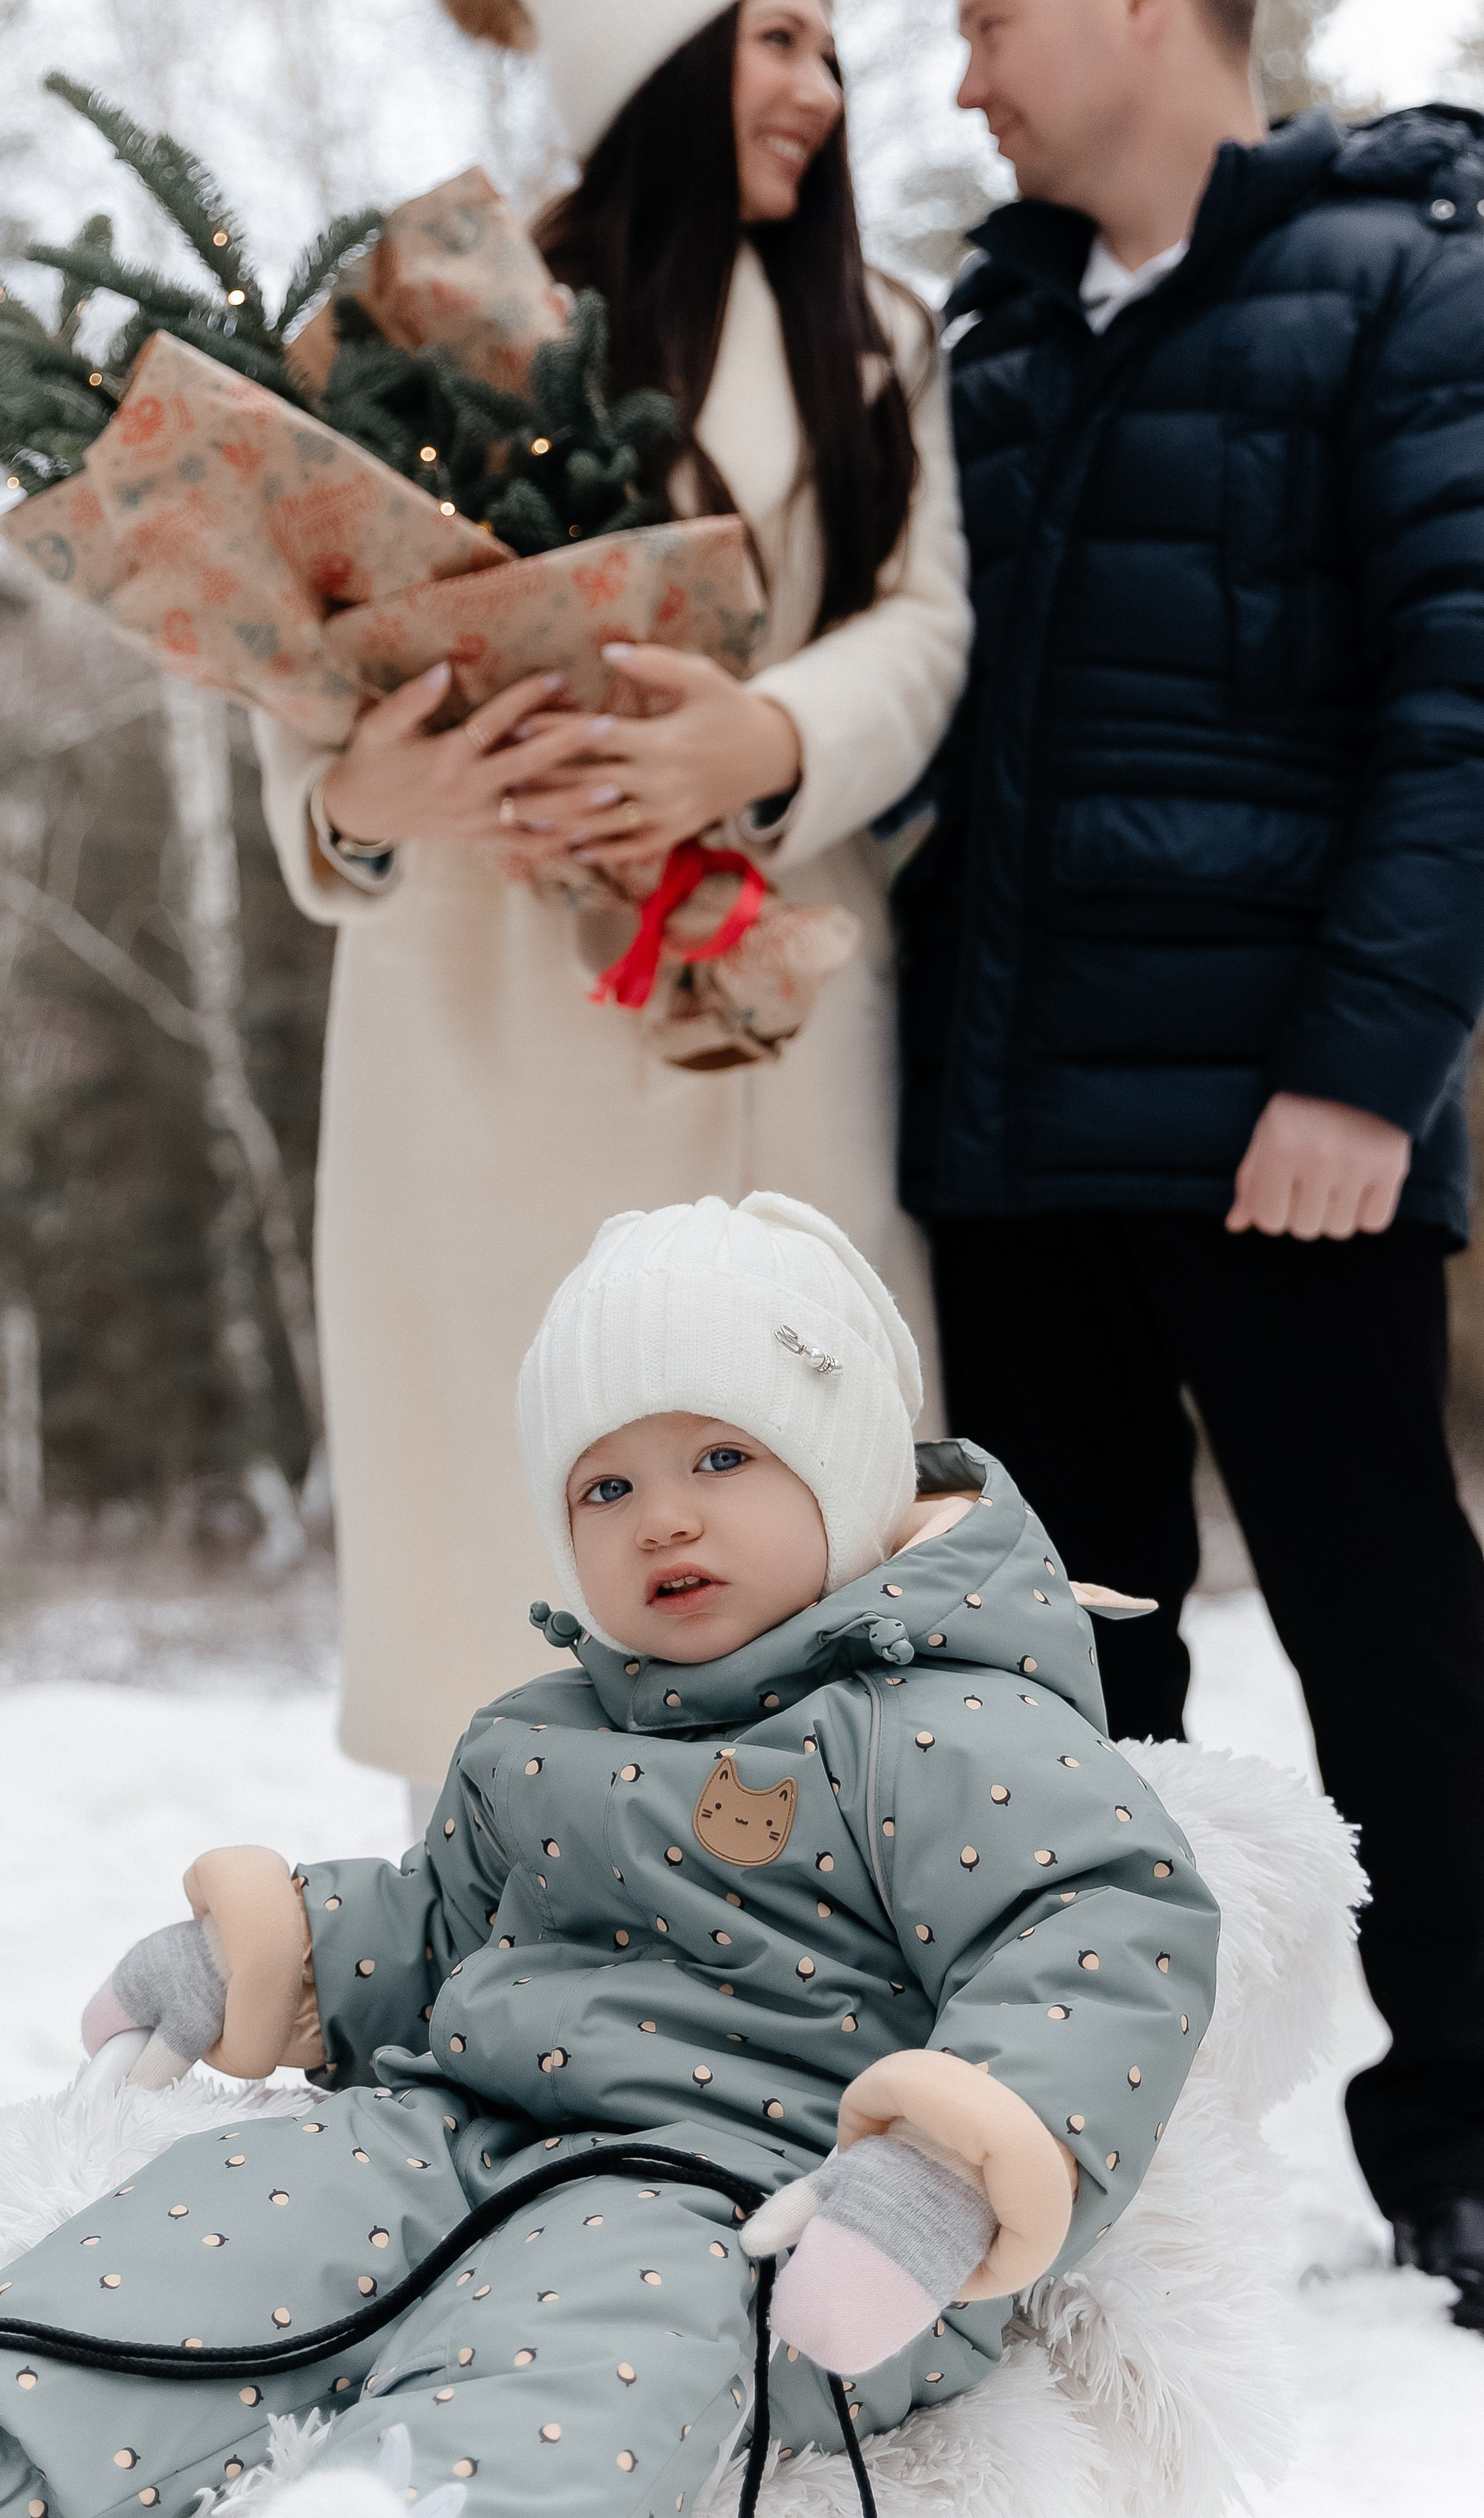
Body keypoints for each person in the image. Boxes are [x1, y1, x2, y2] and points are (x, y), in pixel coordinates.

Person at [0, 1195, 1214, 2518]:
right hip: (469, 2128)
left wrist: (938, 2177)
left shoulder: (940, 1723)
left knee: (598, 2320)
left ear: (846, 1474)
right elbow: (439, 1926)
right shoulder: (541, 1731)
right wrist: (278, 1953)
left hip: (765, 2207)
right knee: (267, 2201)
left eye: (721, 1458)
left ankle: (419, 2498)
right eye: (604, 1484)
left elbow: (1096, 1936)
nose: (660, 1517)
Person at [893, 0, 1484, 2322]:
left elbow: (1460, 702)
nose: (962, 82)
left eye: (989, 21)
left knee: (1388, 1631)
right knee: (1064, 1673)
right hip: (1014, 1118)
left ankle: (1462, 2135)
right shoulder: (997, 338)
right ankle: (1072, 2138)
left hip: (1286, 1126)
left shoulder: (1406, 280)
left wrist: (1367, 1069)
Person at [249, 0, 971, 1797]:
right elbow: (295, 656)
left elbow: (930, 615)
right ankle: (501, 1928)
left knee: (808, 1460)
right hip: (485, 1013)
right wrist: (359, 796)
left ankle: (826, 1964)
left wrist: (767, 738)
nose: (820, 90)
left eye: (830, 49)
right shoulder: (425, 320)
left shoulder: (878, 337)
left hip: (774, 986)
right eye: (777, 38)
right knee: (508, 1505)